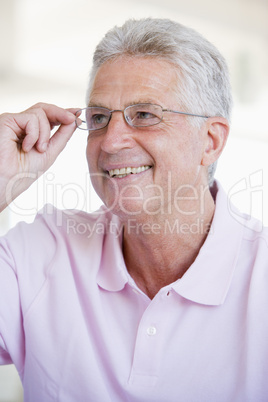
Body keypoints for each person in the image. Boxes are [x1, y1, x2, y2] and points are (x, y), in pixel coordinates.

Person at [0, 17, 267, 402]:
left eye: (144, 115)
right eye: (99, 118)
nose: (110, 142)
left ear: (210, 141)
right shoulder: (41, 252)